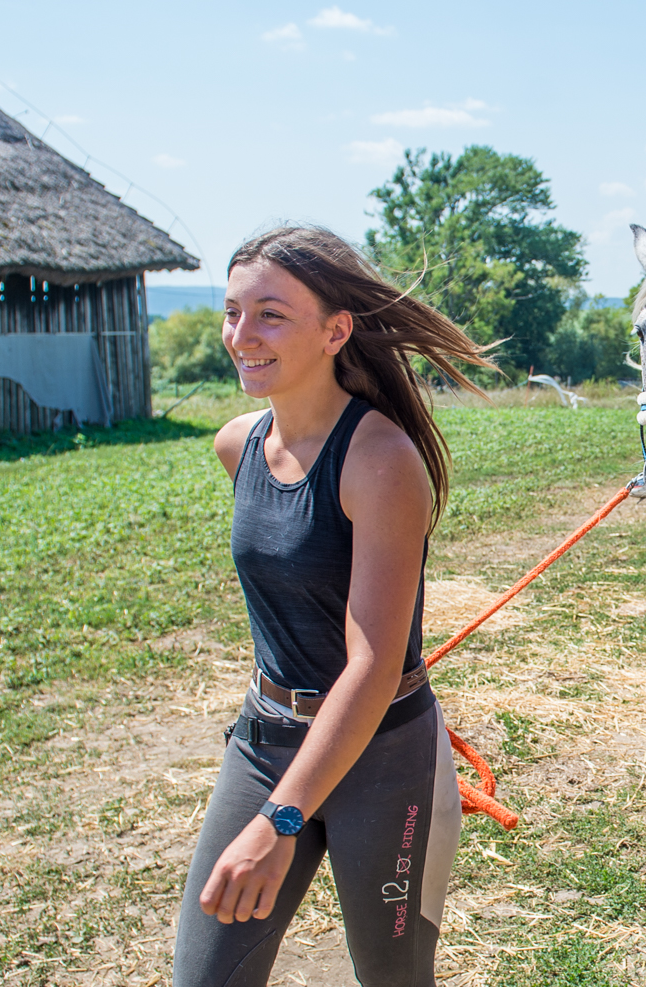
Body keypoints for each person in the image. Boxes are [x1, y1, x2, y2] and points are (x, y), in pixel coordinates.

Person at [173, 226, 495, 987]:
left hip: (383, 755)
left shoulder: (380, 460)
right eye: (231, 312)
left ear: (335, 330)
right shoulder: (237, 444)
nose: (241, 336)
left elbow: (375, 663)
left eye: (270, 315)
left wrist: (282, 822)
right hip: (266, 739)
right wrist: (276, 802)